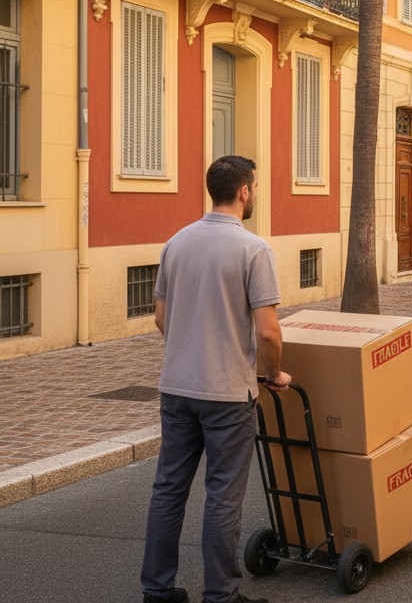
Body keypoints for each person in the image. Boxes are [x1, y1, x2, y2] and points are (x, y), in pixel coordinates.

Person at [140, 156, 291, 603]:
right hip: (227, 391)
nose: (256, 194)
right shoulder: (254, 250)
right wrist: (273, 373)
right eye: (257, 187)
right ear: (244, 191)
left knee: (168, 489)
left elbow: (160, 317)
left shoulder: (176, 243)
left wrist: (191, 348)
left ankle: (157, 590)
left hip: (177, 387)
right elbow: (267, 330)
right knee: (223, 494)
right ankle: (220, 594)